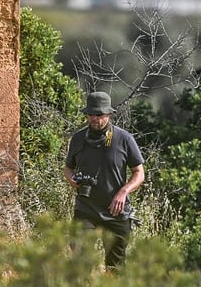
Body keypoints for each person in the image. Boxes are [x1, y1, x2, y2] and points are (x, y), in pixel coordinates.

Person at [64, 91, 145, 271]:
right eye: (91, 114)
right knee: (80, 258)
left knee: (114, 268)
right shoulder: (78, 138)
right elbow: (68, 167)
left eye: (99, 114)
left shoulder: (124, 139)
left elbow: (139, 173)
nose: (94, 118)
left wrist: (123, 192)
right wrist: (72, 179)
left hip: (115, 211)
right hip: (86, 209)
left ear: (109, 114)